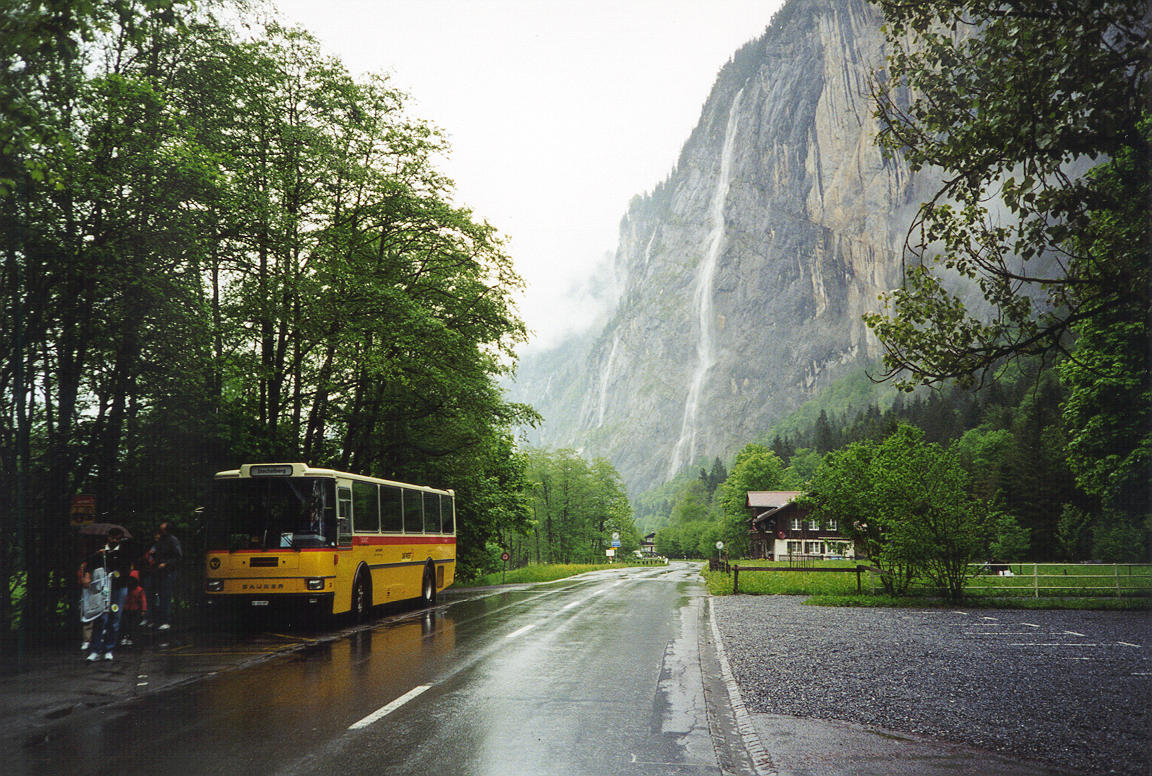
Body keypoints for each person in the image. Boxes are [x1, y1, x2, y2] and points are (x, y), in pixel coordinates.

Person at [87, 526, 134, 662]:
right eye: (112, 538)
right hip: (103, 590)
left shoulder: (124, 552)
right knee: (101, 618)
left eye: (118, 539)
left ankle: (109, 649)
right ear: (108, 537)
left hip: (118, 589)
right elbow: (89, 563)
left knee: (114, 619)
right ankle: (95, 650)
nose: (115, 541)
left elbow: (126, 570)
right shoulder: (101, 551)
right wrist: (98, 555)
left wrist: (116, 574)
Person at [151, 521, 182, 630]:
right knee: (159, 596)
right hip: (159, 572)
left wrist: (166, 564)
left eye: (162, 527)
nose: (160, 528)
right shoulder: (161, 540)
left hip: (168, 571)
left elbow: (178, 557)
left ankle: (167, 620)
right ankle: (159, 619)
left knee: (166, 596)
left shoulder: (173, 540)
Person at [78, 560, 110, 653]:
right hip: (89, 586)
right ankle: (87, 639)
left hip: (101, 584)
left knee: (102, 610)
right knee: (88, 611)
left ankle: (101, 636)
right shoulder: (88, 561)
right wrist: (85, 575)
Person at [120, 569, 147, 647]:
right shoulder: (126, 588)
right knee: (125, 624)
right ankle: (125, 637)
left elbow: (143, 600)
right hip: (126, 609)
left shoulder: (139, 590)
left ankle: (131, 638)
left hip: (135, 610)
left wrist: (143, 610)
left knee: (133, 625)